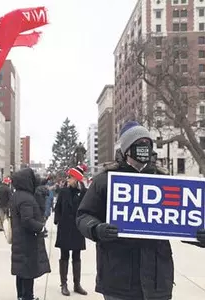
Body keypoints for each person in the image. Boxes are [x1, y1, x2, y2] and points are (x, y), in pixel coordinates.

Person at [76, 121, 204, 300]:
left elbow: (178, 220)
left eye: (147, 143)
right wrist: (96, 229)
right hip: (118, 278)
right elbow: (83, 215)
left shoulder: (164, 181)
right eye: (139, 143)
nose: (144, 147)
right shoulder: (105, 181)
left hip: (157, 280)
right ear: (127, 149)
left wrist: (197, 235)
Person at [11, 168, 50, 300]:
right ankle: (28, 296)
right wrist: (41, 228)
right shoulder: (26, 198)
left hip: (20, 239)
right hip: (27, 240)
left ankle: (21, 295)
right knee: (28, 270)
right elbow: (27, 220)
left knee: (20, 271)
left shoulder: (17, 195)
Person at [55, 166, 88, 297]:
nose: (68, 179)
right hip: (64, 228)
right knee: (64, 256)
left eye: (70, 177)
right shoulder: (64, 192)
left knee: (77, 256)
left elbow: (87, 208)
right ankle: (63, 284)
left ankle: (77, 284)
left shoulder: (84, 192)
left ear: (77, 179)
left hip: (77, 228)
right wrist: (58, 220)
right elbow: (58, 207)